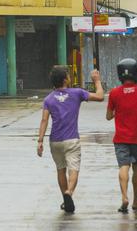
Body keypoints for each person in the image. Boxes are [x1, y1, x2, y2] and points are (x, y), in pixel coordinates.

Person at [37, 66, 105, 213]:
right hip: (71, 139)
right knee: (73, 169)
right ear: (65, 79)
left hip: (55, 141)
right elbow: (100, 97)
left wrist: (40, 141)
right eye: (68, 75)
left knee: (61, 170)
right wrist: (97, 81)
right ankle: (69, 193)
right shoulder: (77, 93)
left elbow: (44, 120)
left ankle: (64, 199)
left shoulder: (48, 99)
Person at [106, 58, 137, 213]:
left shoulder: (114, 93)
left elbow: (108, 116)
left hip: (121, 138)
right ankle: (135, 201)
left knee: (123, 166)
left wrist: (119, 110)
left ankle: (124, 197)